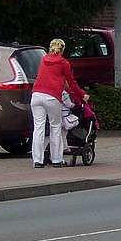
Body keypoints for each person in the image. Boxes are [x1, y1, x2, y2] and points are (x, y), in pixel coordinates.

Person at [30, 38, 88, 168]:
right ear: (63, 49)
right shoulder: (63, 63)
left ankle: (37, 161)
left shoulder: (43, 60)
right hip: (51, 97)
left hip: (36, 95)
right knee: (55, 127)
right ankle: (56, 159)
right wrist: (82, 95)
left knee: (38, 128)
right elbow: (71, 82)